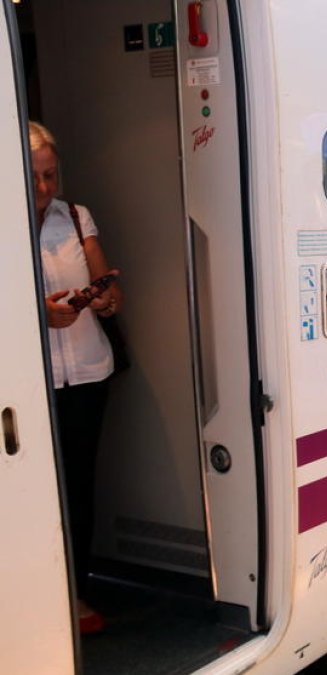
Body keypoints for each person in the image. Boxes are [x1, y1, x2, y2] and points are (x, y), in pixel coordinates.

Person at [33, 121, 123, 635]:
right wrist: (36, 314)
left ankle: (75, 593)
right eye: (34, 179)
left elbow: (106, 284)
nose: (46, 189)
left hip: (88, 371)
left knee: (79, 486)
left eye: (51, 175)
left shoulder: (75, 215)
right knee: (37, 492)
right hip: (31, 383)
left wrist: (106, 299)